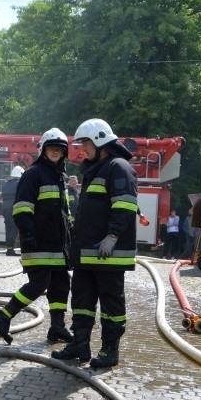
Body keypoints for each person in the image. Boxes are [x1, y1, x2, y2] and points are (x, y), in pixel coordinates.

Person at [51, 118, 138, 369]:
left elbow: (124, 206)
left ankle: (110, 350)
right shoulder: (96, 169)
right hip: (88, 254)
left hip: (109, 255)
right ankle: (80, 344)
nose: (82, 149)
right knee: (82, 301)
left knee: (111, 304)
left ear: (100, 140)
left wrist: (112, 236)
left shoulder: (118, 167)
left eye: (86, 143)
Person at [0, 127, 73, 345]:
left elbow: (63, 212)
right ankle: (4, 315)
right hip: (38, 242)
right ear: (43, 149)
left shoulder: (59, 176)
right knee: (38, 284)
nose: (56, 152)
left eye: (60, 149)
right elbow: (22, 208)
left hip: (57, 244)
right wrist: (27, 234)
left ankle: (57, 327)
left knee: (61, 285)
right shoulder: (33, 174)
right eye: (52, 148)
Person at [0, 166, 24, 256]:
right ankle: (10, 250)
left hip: (5, 207)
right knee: (14, 227)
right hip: (14, 206)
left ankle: (9, 248)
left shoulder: (6, 184)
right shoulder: (19, 183)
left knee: (8, 227)